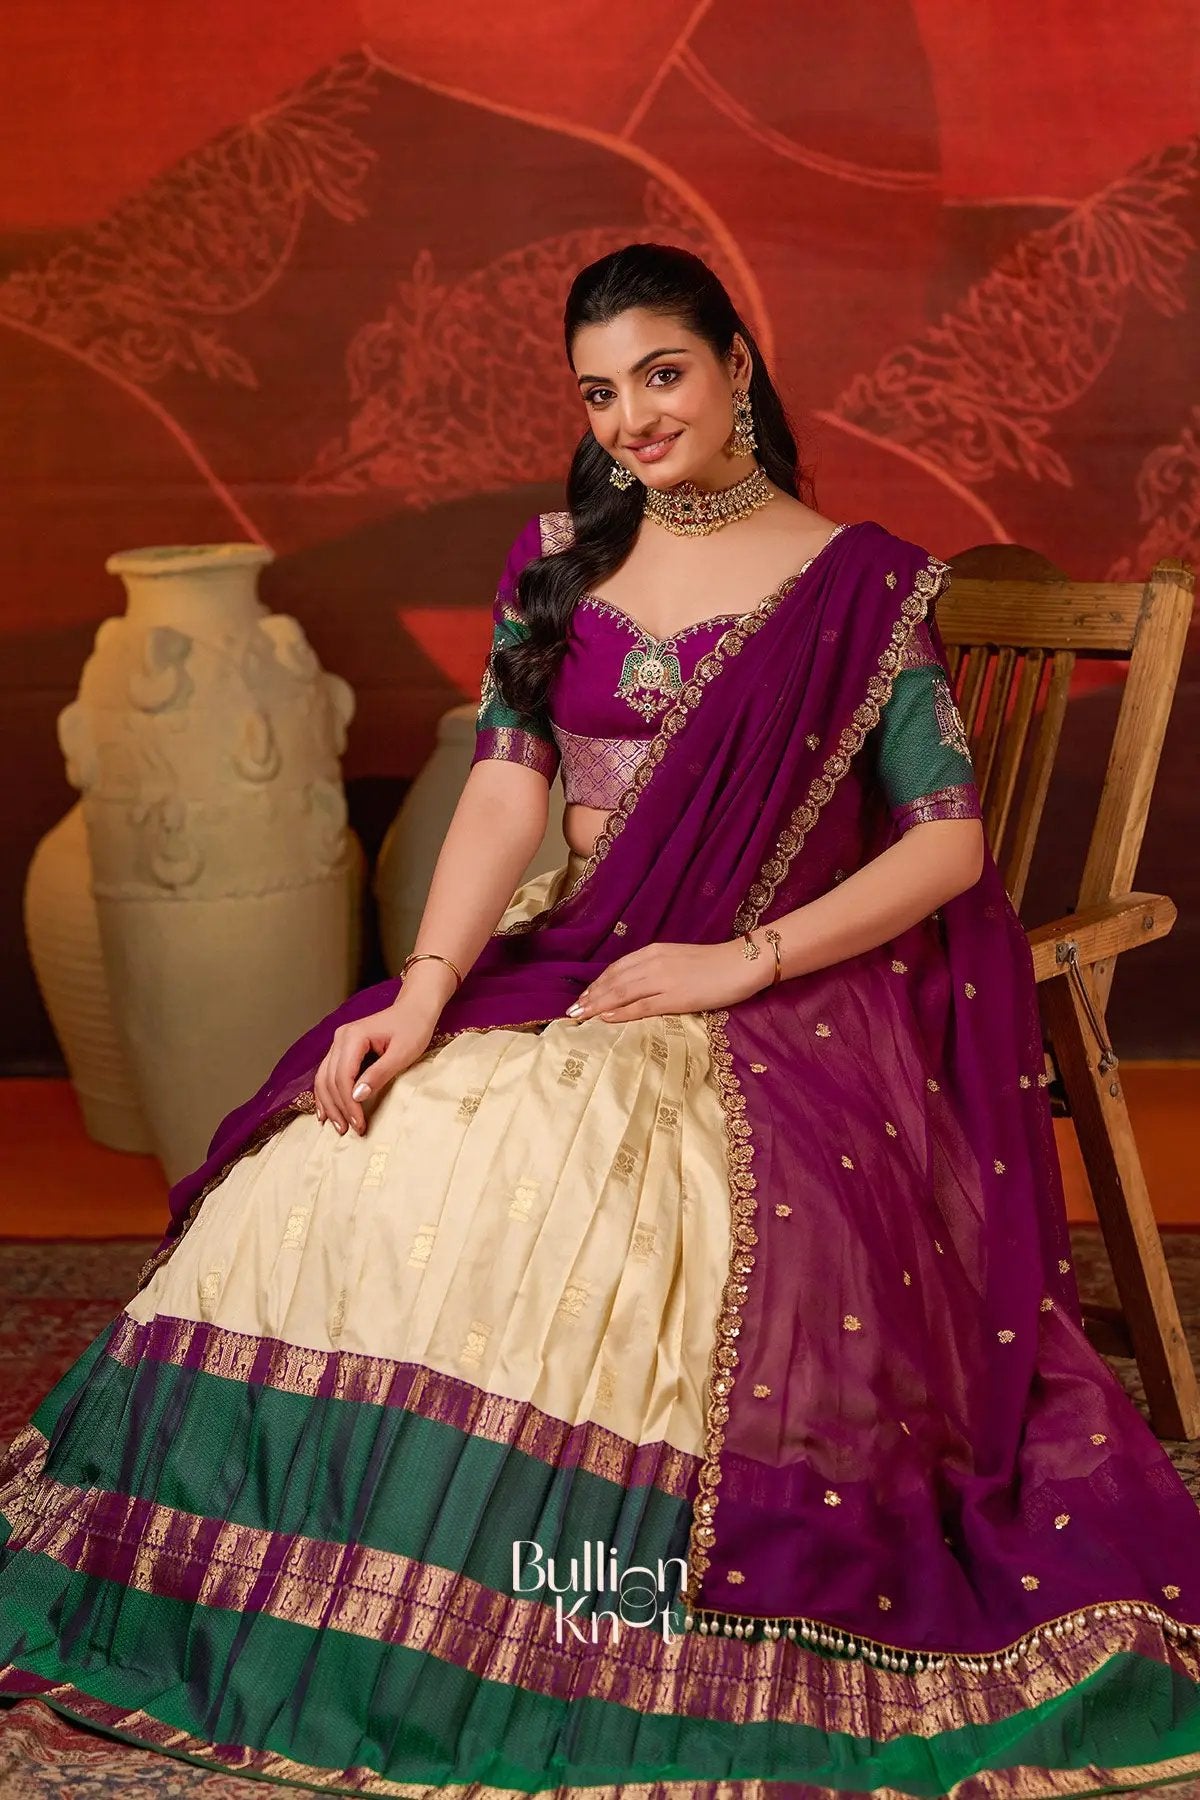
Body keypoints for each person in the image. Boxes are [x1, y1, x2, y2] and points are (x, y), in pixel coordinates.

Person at [2, 241, 1199, 1798]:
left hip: (780, 991)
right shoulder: (561, 556)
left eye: (662, 373)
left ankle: (564, 1615)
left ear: (736, 366)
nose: (631, 416)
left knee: (601, 1190)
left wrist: (741, 963)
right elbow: (510, 785)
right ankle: (342, 1580)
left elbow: (949, 844)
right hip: (568, 953)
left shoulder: (861, 581)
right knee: (364, 1139)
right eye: (598, 390)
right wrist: (424, 992)